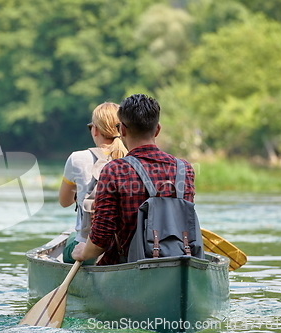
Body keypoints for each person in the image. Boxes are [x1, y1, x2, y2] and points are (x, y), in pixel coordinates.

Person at [71, 94, 196, 265]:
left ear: (122, 130)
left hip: (127, 264)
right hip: (177, 259)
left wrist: (82, 253)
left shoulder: (114, 170)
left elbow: (101, 238)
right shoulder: (185, 169)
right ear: (157, 129)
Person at [59, 102, 128, 264]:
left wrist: (80, 193)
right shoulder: (133, 158)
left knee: (69, 239)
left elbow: (64, 201)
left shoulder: (77, 158)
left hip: (90, 251)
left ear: (95, 129)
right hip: (126, 249)